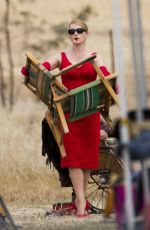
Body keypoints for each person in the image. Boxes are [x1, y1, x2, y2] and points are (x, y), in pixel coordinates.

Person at [21, 18, 115, 217]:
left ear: (86, 33)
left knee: (88, 160)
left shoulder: (95, 57)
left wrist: (112, 83)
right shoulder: (61, 56)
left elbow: (105, 78)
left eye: (79, 30)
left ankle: (82, 201)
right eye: (71, 31)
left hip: (89, 114)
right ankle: (81, 202)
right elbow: (43, 68)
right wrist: (31, 70)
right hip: (68, 116)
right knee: (73, 158)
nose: (75, 34)